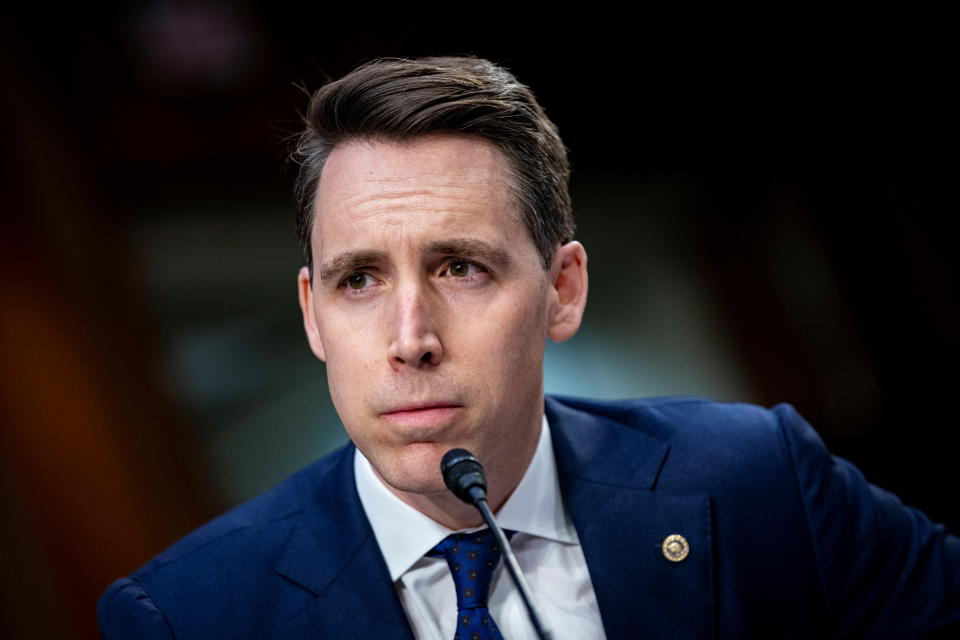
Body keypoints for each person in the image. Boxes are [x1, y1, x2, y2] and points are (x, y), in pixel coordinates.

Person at [98, 56, 960, 639]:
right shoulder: (186, 615)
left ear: (563, 290)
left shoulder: (758, 480)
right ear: (313, 314)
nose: (410, 341)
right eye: (358, 281)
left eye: (461, 267)